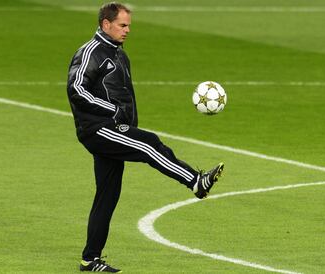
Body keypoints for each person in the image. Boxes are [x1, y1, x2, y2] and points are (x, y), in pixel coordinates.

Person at [67, 2, 224, 272]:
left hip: (112, 128)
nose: (127, 30)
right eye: (122, 25)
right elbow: (76, 89)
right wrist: (112, 111)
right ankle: (196, 181)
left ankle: (90, 259)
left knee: (107, 195)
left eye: (129, 25)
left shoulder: (119, 54)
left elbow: (126, 96)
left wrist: (128, 122)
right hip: (98, 128)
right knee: (149, 144)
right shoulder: (90, 52)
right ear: (106, 24)